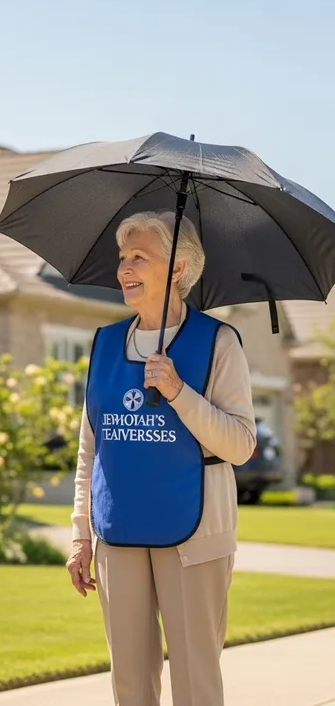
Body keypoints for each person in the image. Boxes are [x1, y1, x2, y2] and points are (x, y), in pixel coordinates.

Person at [66, 211, 257, 706]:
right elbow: (91, 448)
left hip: (195, 534)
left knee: (195, 682)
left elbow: (240, 445)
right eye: (122, 257)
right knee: (129, 683)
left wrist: (177, 391)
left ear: (178, 267)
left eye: (139, 257)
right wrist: (81, 534)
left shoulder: (218, 342)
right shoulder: (105, 343)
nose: (124, 269)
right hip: (118, 533)